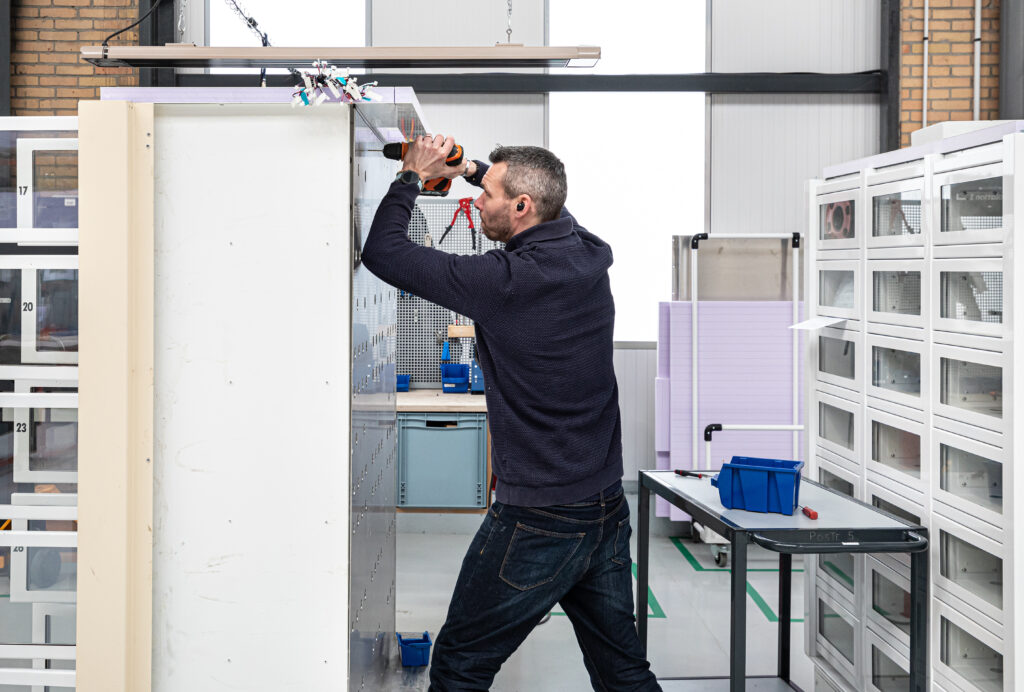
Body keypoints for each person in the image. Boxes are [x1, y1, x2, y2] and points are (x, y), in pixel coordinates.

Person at [362, 135, 660, 692]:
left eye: (488, 193)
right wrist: (473, 169)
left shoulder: (505, 282)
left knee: (460, 666)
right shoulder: (588, 251)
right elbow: (553, 205)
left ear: (522, 207)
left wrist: (411, 177)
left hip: (539, 516)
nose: (476, 201)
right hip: (603, 504)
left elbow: (382, 253)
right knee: (623, 671)